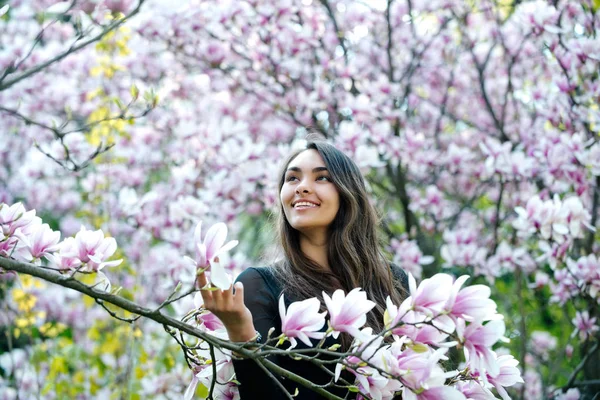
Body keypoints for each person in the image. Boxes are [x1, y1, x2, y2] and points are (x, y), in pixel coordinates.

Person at [197, 141, 408, 399]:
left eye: (322, 177)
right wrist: (241, 334)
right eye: (292, 178)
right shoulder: (258, 286)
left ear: (348, 193)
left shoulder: (393, 281)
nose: (302, 187)